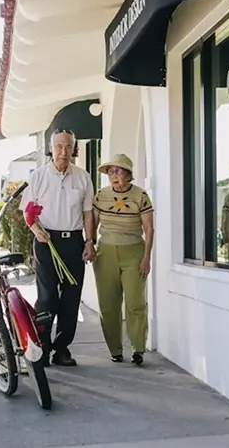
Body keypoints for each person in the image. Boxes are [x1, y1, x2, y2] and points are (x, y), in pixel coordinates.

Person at [19, 129, 96, 367]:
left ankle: (62, 348)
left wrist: (89, 241)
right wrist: (36, 231)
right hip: (46, 242)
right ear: (51, 148)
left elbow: (87, 213)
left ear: (74, 148)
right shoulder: (39, 176)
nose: (64, 151)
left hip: (73, 242)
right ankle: (41, 346)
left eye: (68, 146)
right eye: (59, 146)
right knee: (47, 297)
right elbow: (27, 210)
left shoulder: (83, 177)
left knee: (71, 298)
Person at [92, 153, 154, 366]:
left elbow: (149, 228)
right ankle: (115, 349)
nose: (113, 175)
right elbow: (94, 222)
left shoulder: (141, 196)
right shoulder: (101, 196)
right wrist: (89, 244)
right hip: (106, 251)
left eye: (118, 171)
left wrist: (147, 257)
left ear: (128, 174)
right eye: (110, 171)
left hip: (134, 251)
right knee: (108, 304)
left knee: (136, 301)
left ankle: (138, 348)